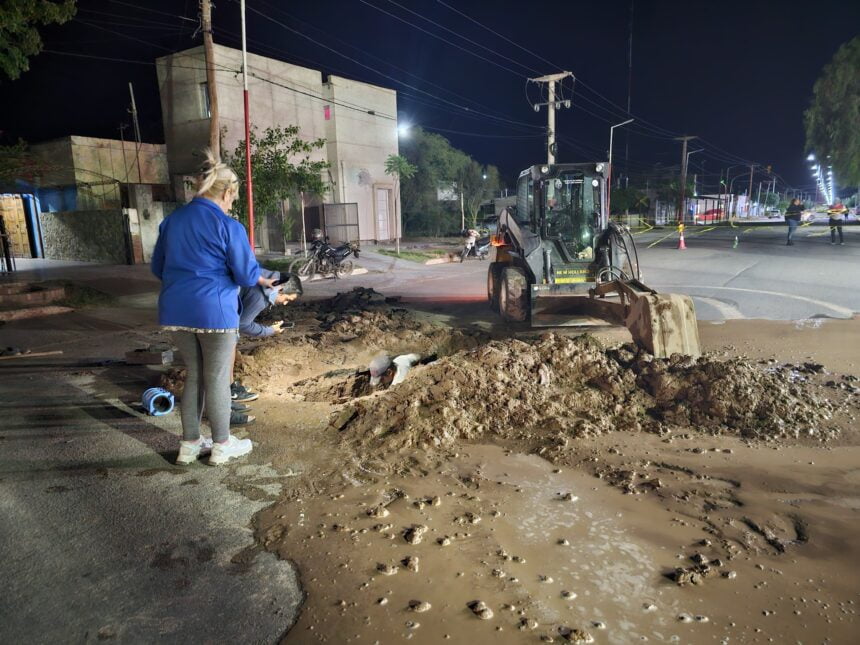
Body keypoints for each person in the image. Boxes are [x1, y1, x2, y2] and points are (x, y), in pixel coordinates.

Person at [151, 149, 275, 466]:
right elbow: (246, 275)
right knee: (217, 377)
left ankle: (190, 445)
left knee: (196, 376)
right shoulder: (228, 225)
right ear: (228, 191)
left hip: (175, 311)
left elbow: (157, 268)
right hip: (214, 311)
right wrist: (259, 279)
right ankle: (221, 445)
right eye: (233, 196)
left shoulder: (172, 221)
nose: (233, 202)